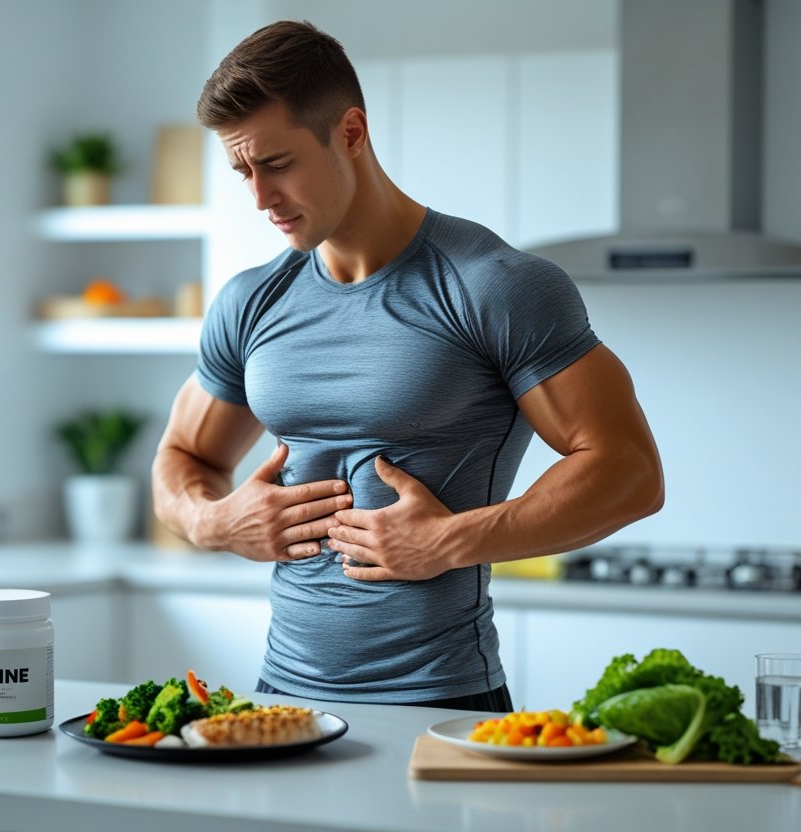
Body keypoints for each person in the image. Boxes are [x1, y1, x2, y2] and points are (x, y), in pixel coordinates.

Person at [152, 20, 664, 710]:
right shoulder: (251, 301)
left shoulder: (492, 284)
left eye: (276, 164)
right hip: (278, 700)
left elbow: (628, 470)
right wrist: (218, 523)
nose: (259, 199)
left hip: (441, 701)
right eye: (242, 170)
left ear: (351, 133)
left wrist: (449, 542)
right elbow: (182, 456)